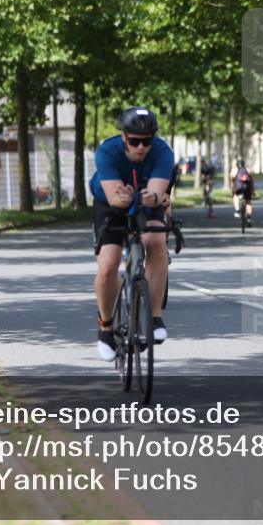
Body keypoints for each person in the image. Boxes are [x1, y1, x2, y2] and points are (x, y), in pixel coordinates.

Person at [90, 107, 174, 362]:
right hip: (110, 204)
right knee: (108, 265)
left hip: (146, 201)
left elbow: (159, 193)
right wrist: (126, 198)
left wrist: (153, 197)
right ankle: (106, 328)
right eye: (134, 141)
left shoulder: (162, 151)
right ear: (124, 137)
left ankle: (155, 316)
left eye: (146, 141)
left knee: (157, 239)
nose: (140, 147)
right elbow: (115, 197)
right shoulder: (107, 151)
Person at [231, 159, 255, 224]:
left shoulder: (235, 170)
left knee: (235, 197)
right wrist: (252, 191)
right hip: (247, 188)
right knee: (248, 202)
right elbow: (251, 181)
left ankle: (237, 210)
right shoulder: (248, 170)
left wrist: (233, 190)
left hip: (238, 188)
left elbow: (232, 180)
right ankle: (249, 218)